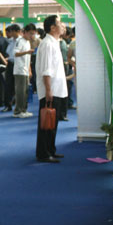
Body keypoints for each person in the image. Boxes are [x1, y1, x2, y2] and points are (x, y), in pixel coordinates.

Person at [35, 15, 68, 163]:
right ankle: (44, 153)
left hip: (57, 89)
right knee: (47, 123)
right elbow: (46, 70)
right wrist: (48, 90)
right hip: (51, 90)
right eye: (60, 23)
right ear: (53, 27)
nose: (63, 25)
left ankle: (50, 149)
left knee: (52, 122)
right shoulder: (48, 44)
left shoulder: (54, 42)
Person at [13, 23, 37, 118]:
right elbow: (16, 54)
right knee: (20, 92)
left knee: (26, 91)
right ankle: (18, 111)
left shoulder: (27, 42)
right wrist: (27, 52)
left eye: (33, 34)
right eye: (30, 33)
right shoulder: (20, 41)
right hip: (20, 70)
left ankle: (23, 109)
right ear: (25, 32)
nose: (32, 35)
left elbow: (28, 58)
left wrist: (29, 70)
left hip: (25, 70)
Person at [3, 24, 21, 112]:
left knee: (18, 86)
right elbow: (9, 52)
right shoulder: (10, 41)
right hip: (10, 64)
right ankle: (8, 105)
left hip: (18, 64)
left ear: (17, 31)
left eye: (12, 32)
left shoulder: (21, 41)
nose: (11, 33)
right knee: (8, 85)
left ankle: (18, 105)